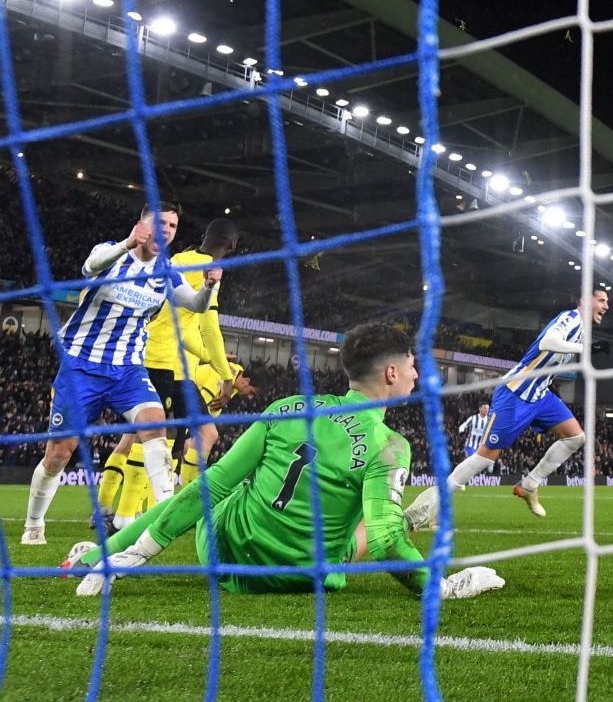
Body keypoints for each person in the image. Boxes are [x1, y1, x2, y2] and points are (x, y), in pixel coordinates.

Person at [62, 322, 503, 601]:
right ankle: (410, 518)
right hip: (303, 575)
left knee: (227, 487)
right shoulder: (389, 446)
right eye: (411, 366)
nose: (414, 375)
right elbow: (386, 543)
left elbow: (209, 487)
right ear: (391, 373)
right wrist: (441, 588)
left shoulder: (287, 408)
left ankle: (104, 555)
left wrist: (123, 551)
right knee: (364, 524)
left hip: (226, 559)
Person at [19, 203, 219, 546]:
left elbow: (196, 304)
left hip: (128, 369)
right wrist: (126, 244)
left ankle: (164, 514)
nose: (167, 230)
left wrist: (209, 287)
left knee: (155, 423)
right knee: (58, 455)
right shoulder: (110, 253)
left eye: (172, 225)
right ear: (141, 226)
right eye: (160, 223)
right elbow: (91, 266)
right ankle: (34, 524)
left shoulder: (167, 271)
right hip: (82, 366)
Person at [412, 289, 609, 521]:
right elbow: (548, 341)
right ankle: (427, 507)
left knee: (576, 438)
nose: (606, 306)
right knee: (484, 459)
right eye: (602, 301)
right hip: (515, 392)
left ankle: (529, 485)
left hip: (540, 395)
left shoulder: (583, 330)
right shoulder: (571, 318)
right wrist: (583, 349)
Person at [96, 217, 238, 529]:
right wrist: (224, 373)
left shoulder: (177, 260)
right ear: (231, 246)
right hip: (160, 362)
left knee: (162, 436)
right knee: (157, 437)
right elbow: (208, 328)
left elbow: (185, 331)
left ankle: (126, 508)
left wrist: (213, 361)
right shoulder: (207, 270)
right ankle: (125, 518)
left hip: (165, 362)